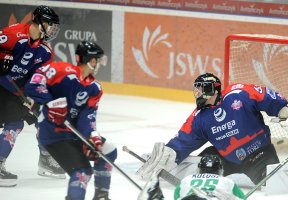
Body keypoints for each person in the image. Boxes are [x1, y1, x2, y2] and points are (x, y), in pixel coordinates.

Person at [136, 72, 288, 186]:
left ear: (214, 89)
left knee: (273, 184)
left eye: (202, 89)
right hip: (225, 159)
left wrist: (286, 112)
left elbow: (267, 98)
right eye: (197, 90)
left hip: (259, 155)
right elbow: (183, 141)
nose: (198, 94)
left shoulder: (238, 94)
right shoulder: (199, 117)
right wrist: (168, 155)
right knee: (206, 162)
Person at [24, 41, 116, 200]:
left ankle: (101, 195)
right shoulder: (62, 71)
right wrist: (49, 101)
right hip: (53, 134)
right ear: (90, 60)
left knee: (108, 150)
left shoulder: (95, 88)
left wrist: (92, 136)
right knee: (82, 171)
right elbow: (34, 82)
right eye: (97, 60)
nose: (99, 64)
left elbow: (87, 117)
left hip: (74, 134)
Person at [0, 5, 64, 187]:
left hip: (15, 89)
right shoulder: (13, 34)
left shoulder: (45, 51)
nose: (53, 29)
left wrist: (40, 101)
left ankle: (46, 161)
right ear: (39, 22)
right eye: (50, 25)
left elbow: (37, 80)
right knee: (14, 123)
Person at [138, 155, 246, 200]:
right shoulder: (226, 181)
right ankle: (207, 196)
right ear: (220, 169)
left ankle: (156, 195)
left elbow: (177, 198)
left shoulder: (187, 179)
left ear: (200, 168)